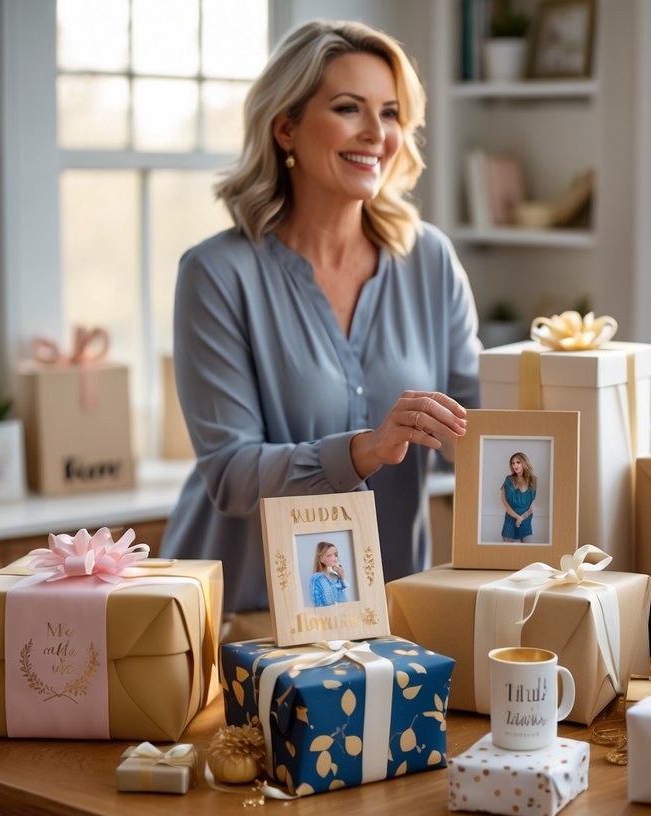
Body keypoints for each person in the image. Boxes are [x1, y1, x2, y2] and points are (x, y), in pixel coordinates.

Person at [160, 19, 481, 631]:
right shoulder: (215, 274)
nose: (376, 134)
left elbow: (475, 425)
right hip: (243, 617)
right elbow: (230, 474)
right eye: (347, 108)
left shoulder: (430, 259)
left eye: (389, 113)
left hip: (386, 611)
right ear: (286, 126)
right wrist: (364, 451)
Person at [499, 452, 537, 542]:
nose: (515, 465)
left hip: (526, 518)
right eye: (513, 463)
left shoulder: (533, 480)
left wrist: (521, 518)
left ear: (524, 463)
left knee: (528, 552)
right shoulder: (509, 479)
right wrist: (517, 517)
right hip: (510, 518)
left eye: (518, 462)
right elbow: (504, 502)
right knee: (507, 551)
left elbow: (531, 506)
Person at [308, 541, 348, 606]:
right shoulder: (317, 579)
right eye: (329, 555)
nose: (334, 559)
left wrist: (342, 577)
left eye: (336, 555)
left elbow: (344, 600)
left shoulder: (335, 577)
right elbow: (317, 603)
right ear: (321, 559)